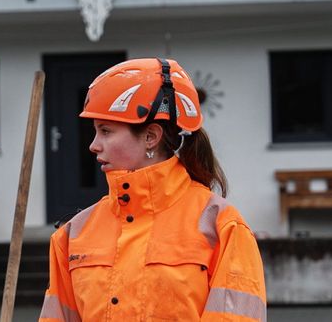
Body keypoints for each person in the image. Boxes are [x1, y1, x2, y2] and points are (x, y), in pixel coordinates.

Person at [39, 58, 266, 322]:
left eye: (106, 131)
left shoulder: (222, 226)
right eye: (95, 132)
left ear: (151, 136)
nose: (94, 145)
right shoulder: (72, 234)